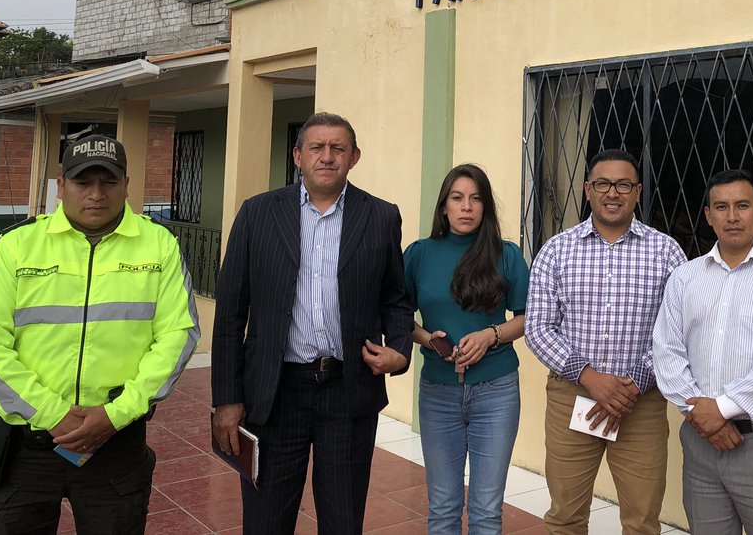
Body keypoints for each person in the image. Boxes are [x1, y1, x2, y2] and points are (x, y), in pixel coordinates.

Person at [0, 134, 201, 534]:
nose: (97, 194)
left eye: (109, 182)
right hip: (25, 447)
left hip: (114, 445)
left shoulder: (159, 245)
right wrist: (51, 414)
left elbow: (177, 336)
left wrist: (115, 414)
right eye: (83, 182)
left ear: (126, 185)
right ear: (61, 187)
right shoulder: (17, 245)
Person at [211, 111, 414, 535]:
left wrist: (398, 349)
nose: (327, 157)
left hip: (348, 390)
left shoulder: (380, 216)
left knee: (343, 521)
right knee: (266, 520)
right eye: (317, 148)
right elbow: (231, 313)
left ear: (354, 157)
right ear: (298, 156)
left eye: (338, 148)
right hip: (274, 392)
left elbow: (395, 298)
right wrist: (227, 399)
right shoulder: (257, 214)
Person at [525, 148, 686, 535]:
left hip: (641, 403)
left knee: (642, 519)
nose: (612, 193)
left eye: (623, 184)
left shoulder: (667, 252)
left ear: (637, 191)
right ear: (587, 190)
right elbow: (539, 328)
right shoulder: (556, 250)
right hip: (573, 395)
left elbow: (678, 330)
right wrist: (590, 376)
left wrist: (633, 384)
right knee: (565, 515)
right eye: (602, 184)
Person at [653, 169, 753, 535]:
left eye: (742, 206)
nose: (732, 216)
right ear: (708, 216)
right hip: (700, 445)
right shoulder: (685, 278)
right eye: (721, 207)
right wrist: (703, 417)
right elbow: (667, 351)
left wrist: (721, 410)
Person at [405, 164, 529, 535]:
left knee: (487, 510)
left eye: (476, 199)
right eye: (457, 198)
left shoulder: (506, 254)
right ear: (444, 206)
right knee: (442, 507)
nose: (466, 207)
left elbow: (528, 317)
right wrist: (427, 338)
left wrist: (491, 334)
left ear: (486, 207)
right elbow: (397, 315)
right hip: (438, 392)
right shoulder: (419, 254)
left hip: (497, 391)